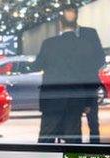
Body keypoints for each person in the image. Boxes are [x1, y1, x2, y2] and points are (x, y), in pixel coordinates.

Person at [33, 15, 95, 143]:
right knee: (73, 137)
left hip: (52, 98)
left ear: (60, 25)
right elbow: (89, 75)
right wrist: (88, 102)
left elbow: (37, 65)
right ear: (76, 26)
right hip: (75, 99)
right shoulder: (84, 45)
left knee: (47, 136)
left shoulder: (49, 43)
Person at [61, 6, 105, 143]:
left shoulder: (90, 33)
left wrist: (87, 69)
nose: (69, 15)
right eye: (66, 13)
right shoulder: (62, 38)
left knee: (93, 122)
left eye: (71, 12)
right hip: (72, 87)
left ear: (76, 14)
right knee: (74, 123)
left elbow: (100, 57)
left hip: (89, 83)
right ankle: (76, 152)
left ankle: (96, 152)